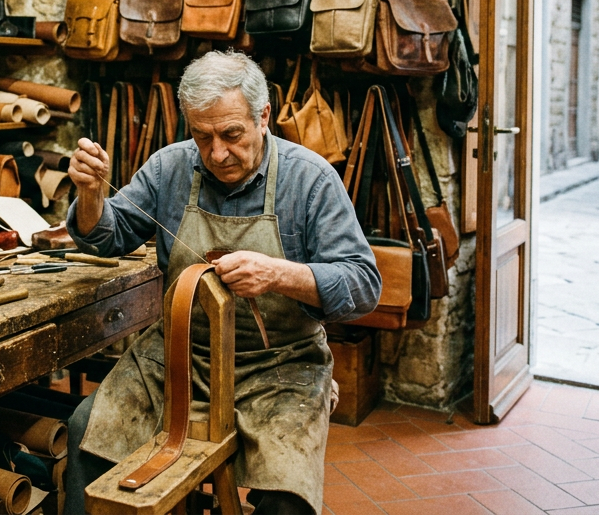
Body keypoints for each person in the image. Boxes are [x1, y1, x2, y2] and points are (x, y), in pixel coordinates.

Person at [63, 50, 382, 515]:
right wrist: (90, 197)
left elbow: (363, 283)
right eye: (202, 135)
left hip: (280, 366)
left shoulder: (311, 180)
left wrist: (278, 273)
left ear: (263, 117)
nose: (216, 153)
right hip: (179, 354)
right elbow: (107, 237)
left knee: (286, 499)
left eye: (232, 134)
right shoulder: (171, 167)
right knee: (86, 432)